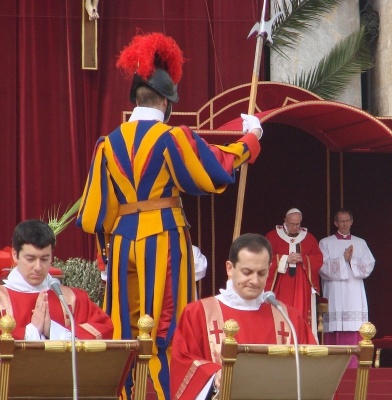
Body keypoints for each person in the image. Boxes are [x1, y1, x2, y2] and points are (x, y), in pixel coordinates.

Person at [76, 32, 262, 399]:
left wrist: (106, 256)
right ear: (166, 101)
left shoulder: (106, 144)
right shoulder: (171, 138)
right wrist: (250, 139)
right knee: (164, 330)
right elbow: (211, 170)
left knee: (125, 330)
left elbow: (93, 214)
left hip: (121, 242)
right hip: (162, 238)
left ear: (136, 99)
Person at [170, 233, 316, 400]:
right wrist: (212, 375)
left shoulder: (288, 317)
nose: (254, 281)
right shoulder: (198, 313)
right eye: (247, 272)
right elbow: (182, 362)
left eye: (261, 273)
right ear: (230, 268)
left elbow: (311, 369)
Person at [0, 220, 113, 340]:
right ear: (15, 255)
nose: (38, 267)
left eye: (44, 259)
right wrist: (31, 331)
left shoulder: (73, 298)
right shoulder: (2, 299)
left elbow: (105, 328)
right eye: (30, 259)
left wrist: (53, 330)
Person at [318, 208, 375, 366]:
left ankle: (355, 366)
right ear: (335, 223)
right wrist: (342, 259)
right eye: (341, 221)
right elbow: (322, 267)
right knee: (335, 328)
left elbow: (369, 265)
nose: (344, 224)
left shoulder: (360, 242)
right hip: (334, 290)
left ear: (351, 221)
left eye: (347, 220)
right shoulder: (325, 243)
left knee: (354, 327)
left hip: (354, 290)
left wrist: (351, 261)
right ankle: (333, 366)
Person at [265, 208, 323, 337]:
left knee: (300, 312)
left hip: (301, 285)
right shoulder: (273, 236)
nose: (295, 227)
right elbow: (264, 258)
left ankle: (302, 339)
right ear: (285, 221)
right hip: (280, 283)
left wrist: (304, 259)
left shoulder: (309, 238)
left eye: (297, 224)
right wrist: (285, 259)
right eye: (292, 224)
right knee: (281, 312)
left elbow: (319, 259)